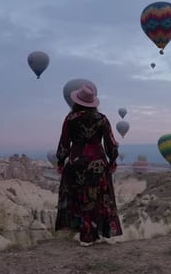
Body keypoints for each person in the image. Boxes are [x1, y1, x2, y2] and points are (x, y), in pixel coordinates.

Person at [55, 84, 123, 246]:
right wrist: (113, 160)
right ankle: (103, 233)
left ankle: (85, 236)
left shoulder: (70, 119)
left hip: (76, 161)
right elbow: (111, 143)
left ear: (76, 102)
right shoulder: (102, 119)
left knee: (80, 198)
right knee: (101, 197)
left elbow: (64, 143)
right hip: (98, 163)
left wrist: (60, 161)